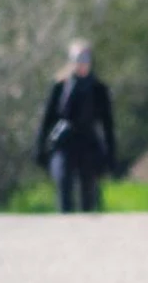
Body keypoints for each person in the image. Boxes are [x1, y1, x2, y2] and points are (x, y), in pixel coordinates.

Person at [35, 40, 116, 213]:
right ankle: (65, 228)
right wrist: (40, 147)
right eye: (78, 58)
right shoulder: (60, 87)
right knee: (63, 184)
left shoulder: (98, 88)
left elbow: (107, 123)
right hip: (64, 143)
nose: (82, 62)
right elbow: (47, 119)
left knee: (88, 192)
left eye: (85, 58)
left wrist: (110, 153)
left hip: (88, 143)